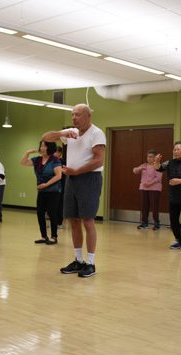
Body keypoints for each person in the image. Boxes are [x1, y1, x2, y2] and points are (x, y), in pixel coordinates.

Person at [41, 104, 105, 278]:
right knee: (73, 220)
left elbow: (99, 160)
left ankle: (90, 263)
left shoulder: (96, 133)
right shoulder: (71, 132)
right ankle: (78, 260)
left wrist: (77, 171)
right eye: (72, 115)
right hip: (72, 179)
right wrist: (62, 133)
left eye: (77, 115)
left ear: (87, 116)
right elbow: (45, 137)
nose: (74, 118)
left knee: (88, 221)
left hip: (89, 179)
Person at [154, 141, 181, 251]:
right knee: (173, 220)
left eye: (178, 149)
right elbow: (158, 168)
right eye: (174, 149)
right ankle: (178, 239)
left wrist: (178, 181)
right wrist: (156, 161)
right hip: (174, 197)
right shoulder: (169, 163)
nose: (176, 151)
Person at [21, 141, 63, 245]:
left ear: (50, 148)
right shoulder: (37, 160)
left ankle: (54, 237)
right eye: (41, 146)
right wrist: (27, 153)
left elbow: (58, 176)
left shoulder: (55, 160)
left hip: (53, 190)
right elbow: (23, 163)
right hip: (42, 190)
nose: (42, 148)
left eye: (44, 146)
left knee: (52, 213)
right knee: (40, 213)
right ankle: (44, 236)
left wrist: (46, 184)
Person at [132, 149, 163, 230]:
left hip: (154, 189)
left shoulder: (158, 165)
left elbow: (158, 178)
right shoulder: (144, 165)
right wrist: (139, 169)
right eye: (148, 157)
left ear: (155, 157)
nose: (149, 158)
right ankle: (144, 223)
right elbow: (134, 171)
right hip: (143, 188)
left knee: (154, 206)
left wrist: (149, 183)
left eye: (151, 157)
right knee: (144, 206)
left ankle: (157, 223)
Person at [54, 145, 66, 228]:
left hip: (61, 185)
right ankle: (53, 222)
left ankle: (59, 222)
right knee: (52, 204)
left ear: (60, 153)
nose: (54, 153)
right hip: (52, 186)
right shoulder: (51, 161)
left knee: (59, 204)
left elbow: (64, 173)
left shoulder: (63, 162)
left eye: (56, 152)